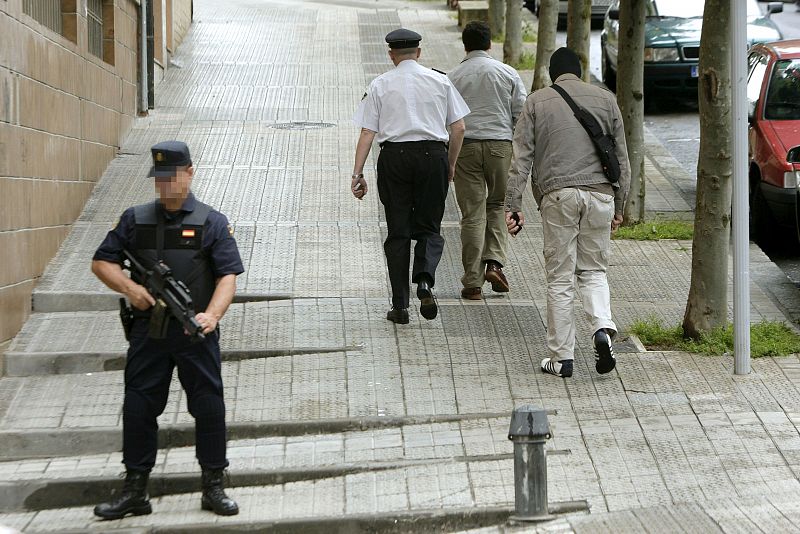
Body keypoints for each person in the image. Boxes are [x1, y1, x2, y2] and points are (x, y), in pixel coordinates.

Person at [91, 141, 243, 519]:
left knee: (208, 407)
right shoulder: (134, 219)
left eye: (172, 175)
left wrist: (212, 316)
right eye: (159, 178)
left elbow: (228, 276)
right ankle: (135, 490)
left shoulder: (211, 222)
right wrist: (132, 289)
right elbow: (101, 262)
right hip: (148, 333)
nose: (165, 184)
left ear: (190, 172)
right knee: (139, 408)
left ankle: (213, 485)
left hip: (195, 333)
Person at [505, 47, 631, 378]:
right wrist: (621, 205)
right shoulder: (606, 99)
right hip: (601, 196)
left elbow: (521, 159)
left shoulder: (536, 101)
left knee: (560, 278)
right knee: (593, 271)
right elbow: (623, 159)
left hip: (558, 196)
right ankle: (602, 328)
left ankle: (562, 358)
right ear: (581, 70)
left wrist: (513, 204)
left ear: (551, 73)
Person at [351, 28, 469, 324]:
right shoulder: (441, 80)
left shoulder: (379, 84)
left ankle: (400, 306)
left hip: (394, 158)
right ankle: (425, 281)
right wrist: (450, 164)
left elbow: (367, 131)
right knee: (429, 227)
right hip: (433, 156)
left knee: (398, 232)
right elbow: (459, 128)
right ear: (419, 52)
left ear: (391, 55)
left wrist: (358, 173)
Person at [448, 21, 526, 300]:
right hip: (499, 146)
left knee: (472, 215)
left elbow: (448, 118)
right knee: (496, 205)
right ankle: (494, 263)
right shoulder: (508, 73)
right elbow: (521, 114)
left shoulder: (453, 76)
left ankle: (472, 282)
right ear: (490, 43)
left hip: (465, 146)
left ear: (465, 45)